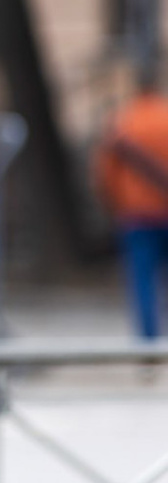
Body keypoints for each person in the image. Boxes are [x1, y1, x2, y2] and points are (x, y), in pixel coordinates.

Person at [95, 76, 168, 341]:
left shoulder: (123, 120)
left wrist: (116, 204)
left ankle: (148, 341)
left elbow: (106, 173)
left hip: (137, 215)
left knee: (143, 280)